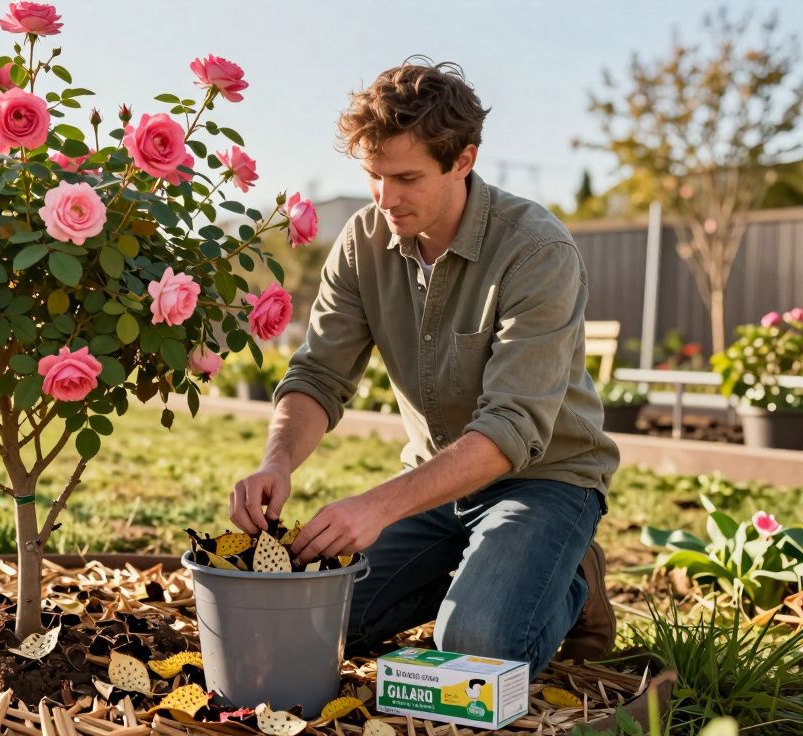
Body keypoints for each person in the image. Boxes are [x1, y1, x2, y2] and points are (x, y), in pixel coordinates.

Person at [229, 58, 620, 677]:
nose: (386, 198)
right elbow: (317, 377)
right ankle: (490, 571)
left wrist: (376, 508)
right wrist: (275, 463)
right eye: (374, 177)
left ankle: (569, 581)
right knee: (304, 623)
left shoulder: (537, 249)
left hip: (544, 481)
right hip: (435, 486)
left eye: (407, 177)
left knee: (478, 649)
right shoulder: (363, 241)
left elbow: (511, 429)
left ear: (463, 160)